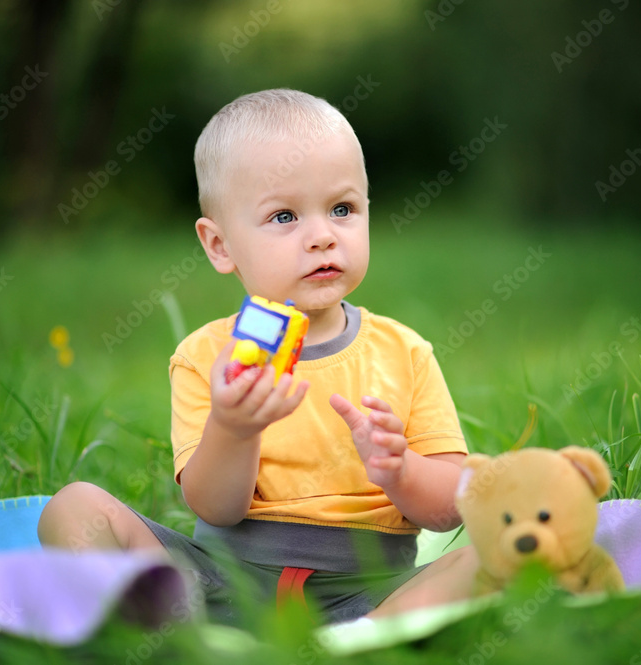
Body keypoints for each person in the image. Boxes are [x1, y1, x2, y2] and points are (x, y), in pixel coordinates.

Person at [38, 88, 479, 625]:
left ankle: (364, 638)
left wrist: (401, 469)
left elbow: (449, 506)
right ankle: (164, 627)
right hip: (221, 583)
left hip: (373, 590)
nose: (322, 236)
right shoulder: (207, 358)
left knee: (501, 546)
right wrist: (234, 426)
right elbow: (216, 508)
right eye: (284, 216)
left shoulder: (404, 352)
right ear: (220, 245)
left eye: (342, 209)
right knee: (73, 507)